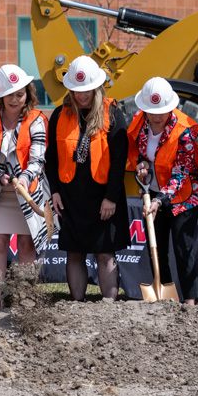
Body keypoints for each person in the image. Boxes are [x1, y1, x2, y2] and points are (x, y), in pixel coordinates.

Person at [45, 55, 129, 301]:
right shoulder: (59, 114)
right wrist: (55, 191)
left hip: (103, 196)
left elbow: (118, 160)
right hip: (71, 196)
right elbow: (52, 157)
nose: (82, 96)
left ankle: (108, 304)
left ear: (98, 87)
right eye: (77, 91)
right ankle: (77, 304)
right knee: (74, 252)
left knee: (104, 253)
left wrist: (111, 197)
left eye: (87, 91)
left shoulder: (113, 114)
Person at [0, 65, 52, 311]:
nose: (16, 99)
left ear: (27, 92)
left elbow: (38, 160)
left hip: (28, 192)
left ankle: (23, 298)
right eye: (10, 95)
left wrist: (25, 179)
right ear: (1, 96)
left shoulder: (37, 119)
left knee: (27, 245)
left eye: (20, 93)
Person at [127, 76, 198, 305]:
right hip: (153, 193)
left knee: (183, 248)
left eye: (162, 111)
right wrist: (140, 162)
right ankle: (165, 295)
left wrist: (160, 200)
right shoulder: (139, 121)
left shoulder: (185, 130)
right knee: (156, 248)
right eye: (152, 111)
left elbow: (181, 173)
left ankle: (190, 301)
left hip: (184, 197)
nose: (157, 116)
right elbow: (135, 147)